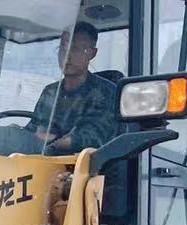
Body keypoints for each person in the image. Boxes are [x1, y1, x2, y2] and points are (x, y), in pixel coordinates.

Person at [27, 20, 120, 155]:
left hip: (87, 165)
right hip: (41, 163)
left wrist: (48, 143)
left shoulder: (106, 92)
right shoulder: (50, 92)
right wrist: (18, 134)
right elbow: (34, 128)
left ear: (92, 53)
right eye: (63, 49)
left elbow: (90, 138)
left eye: (75, 49)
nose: (67, 55)